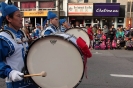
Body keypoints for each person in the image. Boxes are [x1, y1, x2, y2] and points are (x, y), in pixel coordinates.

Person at [0, 2, 38, 88]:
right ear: (9, 18)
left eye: (21, 16)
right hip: (16, 84)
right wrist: (9, 72)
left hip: (31, 82)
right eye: (18, 16)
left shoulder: (21, 33)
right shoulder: (3, 38)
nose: (21, 19)